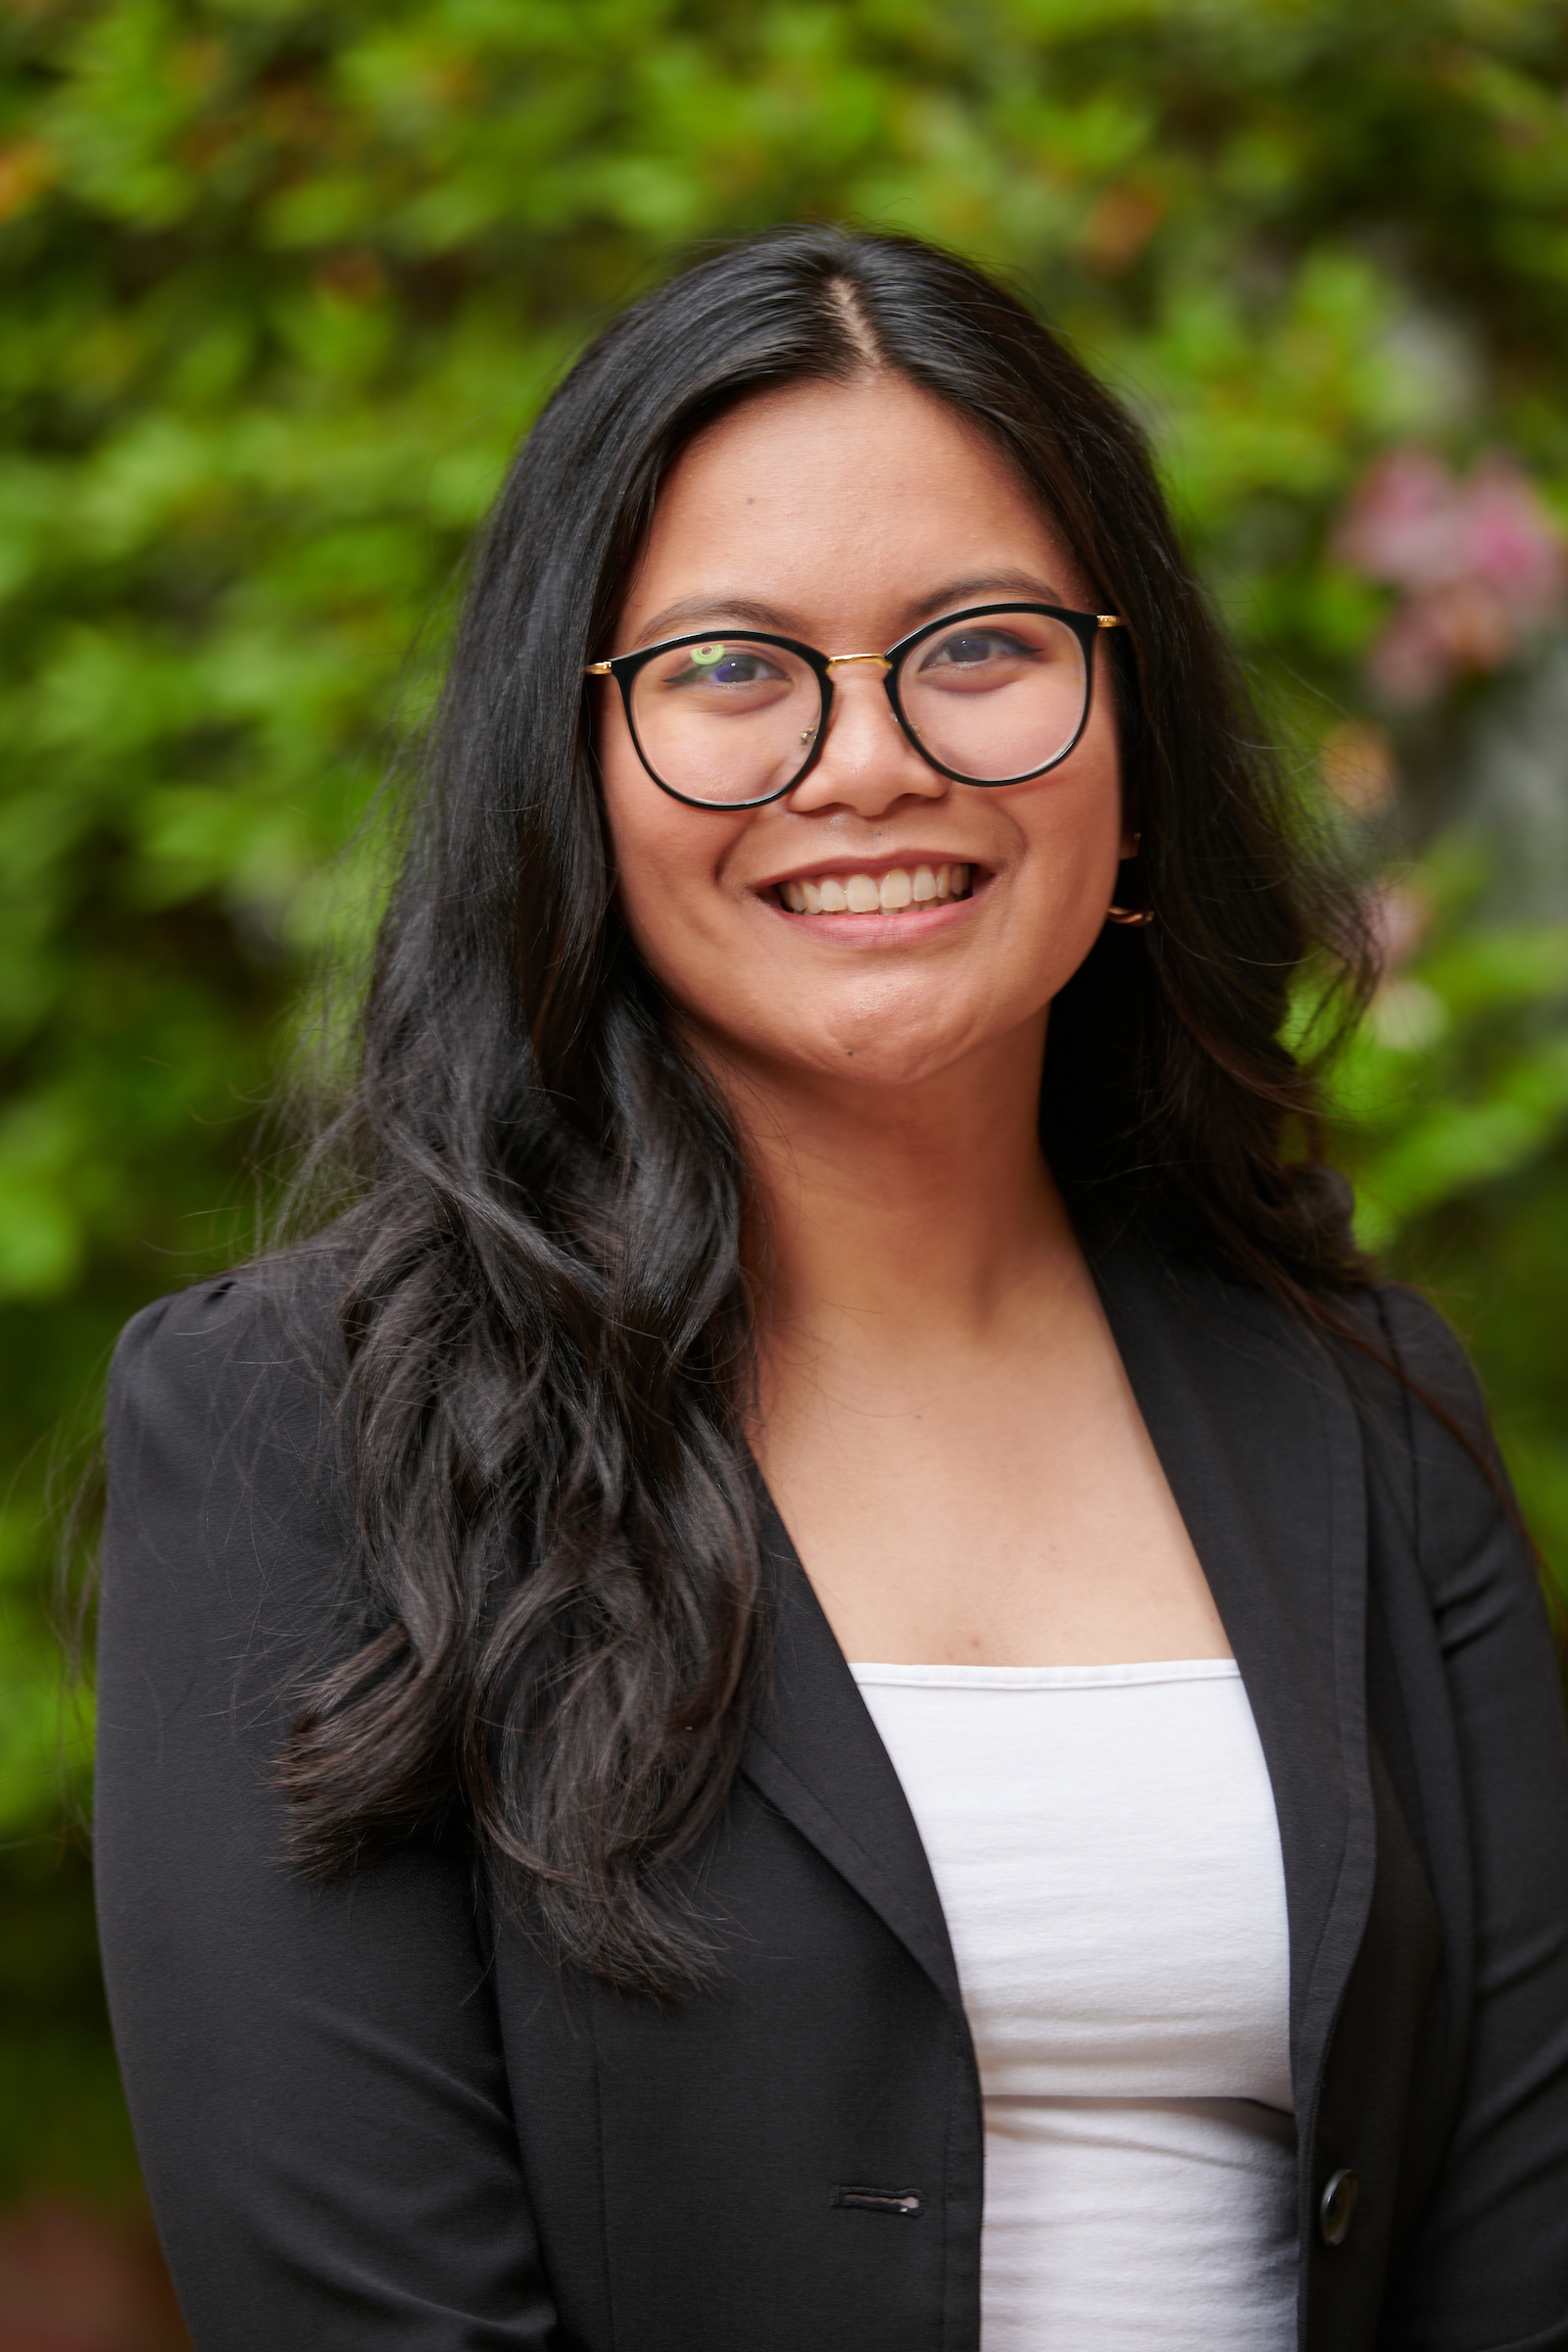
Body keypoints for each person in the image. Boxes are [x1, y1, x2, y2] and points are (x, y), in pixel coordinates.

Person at [93, 225, 1568, 2352]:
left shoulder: (1363, 1415)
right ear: (573, 771)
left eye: (976, 645)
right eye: (726, 670)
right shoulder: (300, 1434)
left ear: (1121, 719)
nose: (866, 758)